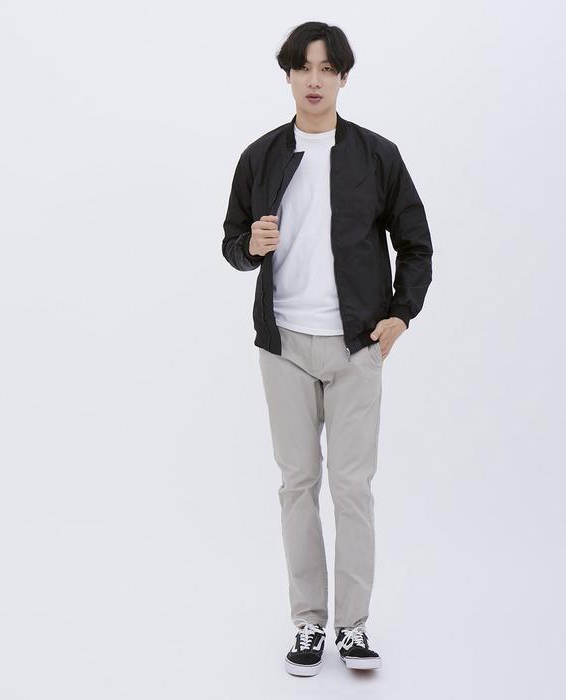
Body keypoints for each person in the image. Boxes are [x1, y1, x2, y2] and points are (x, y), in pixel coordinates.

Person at [221, 21, 433, 676]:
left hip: (355, 347)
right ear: (288, 75)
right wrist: (250, 247)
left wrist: (400, 315)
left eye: (327, 69)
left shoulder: (377, 155)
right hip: (283, 344)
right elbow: (231, 243)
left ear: (343, 77)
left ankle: (353, 627)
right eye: (303, 68)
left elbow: (416, 243)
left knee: (352, 489)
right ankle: (309, 622)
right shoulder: (260, 156)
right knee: (297, 485)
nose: (314, 80)